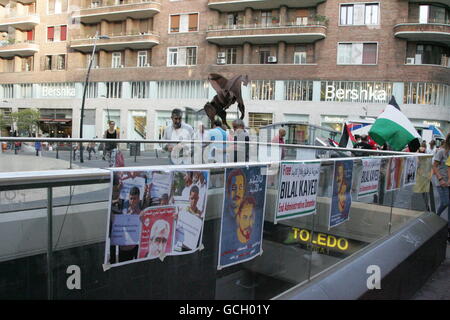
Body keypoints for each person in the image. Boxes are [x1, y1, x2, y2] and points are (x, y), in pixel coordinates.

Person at [432, 133, 450, 219]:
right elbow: (434, 166)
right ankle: (436, 216)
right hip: (442, 182)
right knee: (445, 202)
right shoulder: (441, 151)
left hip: (448, 181)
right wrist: (440, 179)